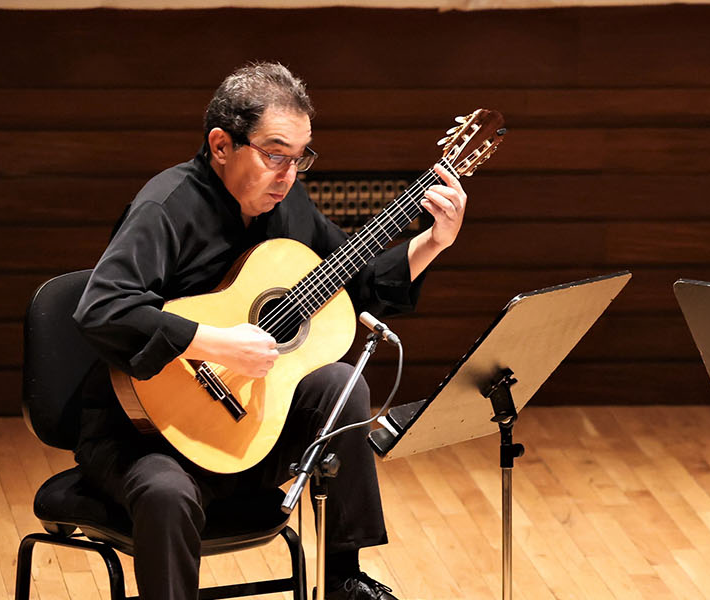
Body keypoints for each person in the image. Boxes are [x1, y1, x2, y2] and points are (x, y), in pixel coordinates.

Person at [71, 62, 468, 600]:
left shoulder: (288, 204)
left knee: (339, 384)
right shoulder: (165, 207)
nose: (289, 175)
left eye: (300, 158)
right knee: (166, 494)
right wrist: (216, 342)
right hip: (145, 439)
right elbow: (102, 308)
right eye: (275, 155)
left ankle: (344, 580)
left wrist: (433, 242)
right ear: (221, 145)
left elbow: (357, 281)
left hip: (248, 431)